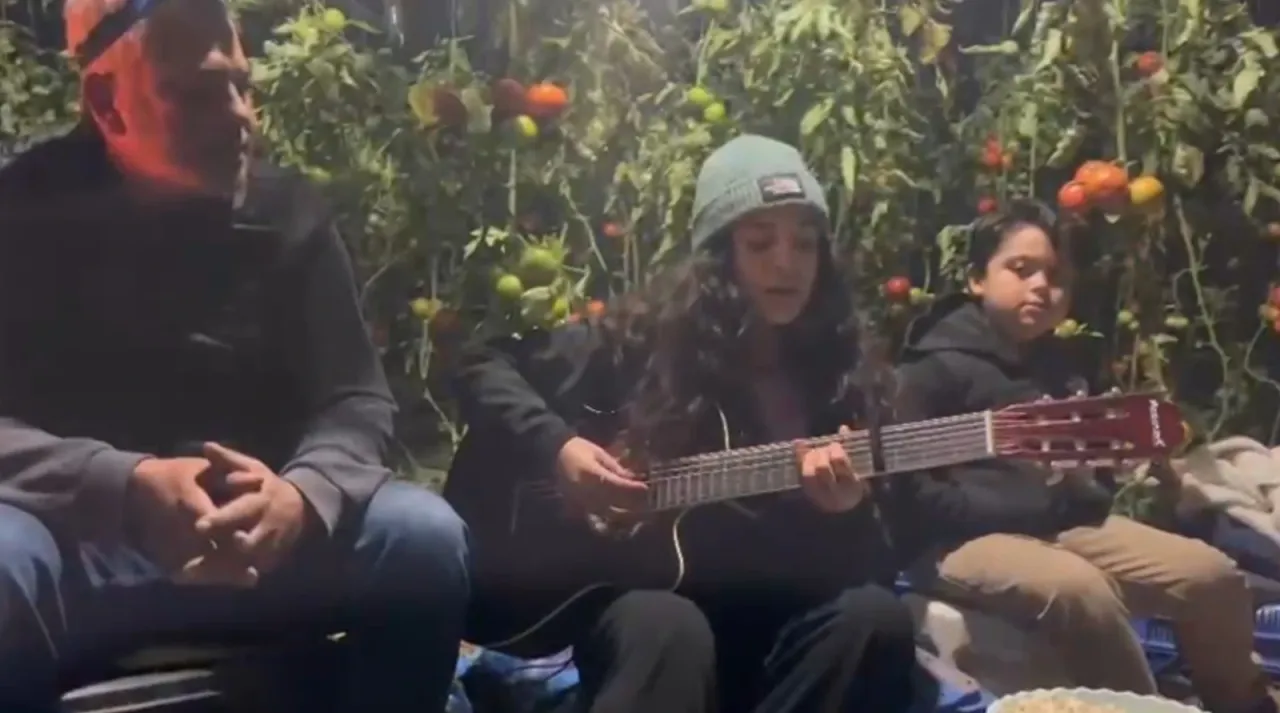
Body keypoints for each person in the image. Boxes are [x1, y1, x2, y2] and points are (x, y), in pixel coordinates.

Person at [0, 0, 470, 710]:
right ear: (105, 101)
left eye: (243, 86)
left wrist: (305, 495)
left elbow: (355, 397)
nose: (239, 116)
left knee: (421, 537)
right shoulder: (21, 214)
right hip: (77, 551)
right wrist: (124, 484)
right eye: (196, 94)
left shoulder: (290, 213)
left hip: (267, 547)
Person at [449, 134, 925, 713]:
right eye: (760, 242)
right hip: (656, 621)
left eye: (805, 244)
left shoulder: (842, 376)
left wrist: (847, 514)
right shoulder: (639, 344)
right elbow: (479, 364)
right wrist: (558, 448)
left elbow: (880, 558)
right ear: (718, 257)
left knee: (875, 617)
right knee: (667, 623)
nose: (787, 263)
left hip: (777, 623)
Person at [892, 198, 1275, 713]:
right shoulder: (929, 369)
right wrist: (1013, 508)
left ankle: (1244, 704)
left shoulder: (1063, 364)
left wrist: (1100, 479)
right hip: (953, 540)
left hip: (1059, 524)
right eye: (1021, 269)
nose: (1040, 286)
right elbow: (909, 493)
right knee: (1082, 591)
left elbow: (1088, 479)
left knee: (1211, 575)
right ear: (977, 279)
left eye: (1055, 276)